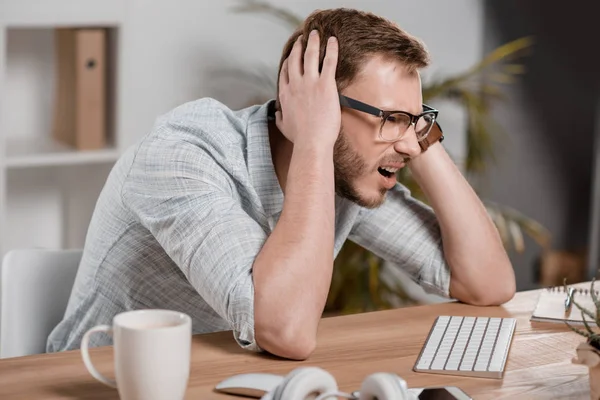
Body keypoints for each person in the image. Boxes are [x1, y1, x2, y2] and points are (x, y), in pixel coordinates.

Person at [47, 8, 516, 360]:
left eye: (415, 121)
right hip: (100, 382)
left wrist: (419, 130)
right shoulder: (181, 156)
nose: (412, 146)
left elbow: (488, 282)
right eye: (391, 119)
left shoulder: (343, 172)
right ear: (318, 104)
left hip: (224, 380)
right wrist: (314, 137)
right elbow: (286, 332)